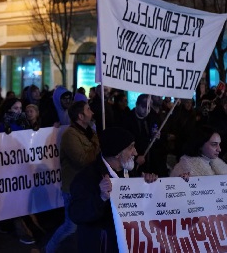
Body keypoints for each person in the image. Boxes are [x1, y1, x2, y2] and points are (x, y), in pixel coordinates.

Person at [69, 127, 158, 253]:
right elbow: (76, 214)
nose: (135, 152)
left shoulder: (128, 171)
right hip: (101, 246)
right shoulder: (86, 177)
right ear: (117, 153)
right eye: (131, 147)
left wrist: (149, 185)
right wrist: (101, 197)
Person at [46, 100, 99, 252]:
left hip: (88, 187)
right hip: (73, 188)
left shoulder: (90, 132)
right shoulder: (70, 135)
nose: (92, 112)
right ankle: (49, 249)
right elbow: (82, 160)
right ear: (80, 116)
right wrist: (96, 146)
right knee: (70, 226)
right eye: (88, 110)